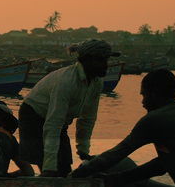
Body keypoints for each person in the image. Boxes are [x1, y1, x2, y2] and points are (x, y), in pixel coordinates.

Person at [19, 39, 117, 177]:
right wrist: (49, 167)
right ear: (86, 60)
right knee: (48, 162)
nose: (105, 65)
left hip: (60, 120)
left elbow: (88, 118)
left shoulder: (96, 82)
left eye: (106, 60)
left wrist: (83, 150)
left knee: (64, 166)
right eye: (101, 60)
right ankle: (46, 174)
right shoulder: (66, 82)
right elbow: (53, 124)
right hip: (33, 114)